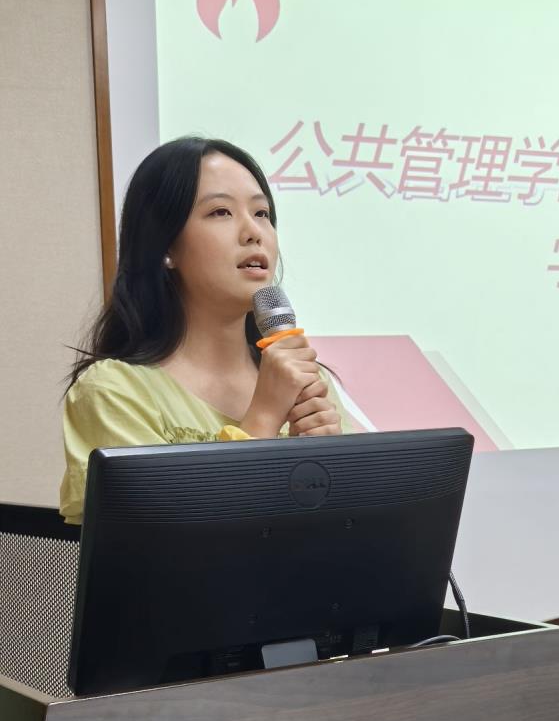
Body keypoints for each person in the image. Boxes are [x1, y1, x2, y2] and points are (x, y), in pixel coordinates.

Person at [59, 137, 361, 524]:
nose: (253, 232)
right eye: (221, 212)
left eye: (262, 213)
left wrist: (334, 465)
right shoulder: (113, 391)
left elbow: (357, 530)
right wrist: (264, 418)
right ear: (165, 247)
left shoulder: (307, 378)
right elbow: (161, 542)